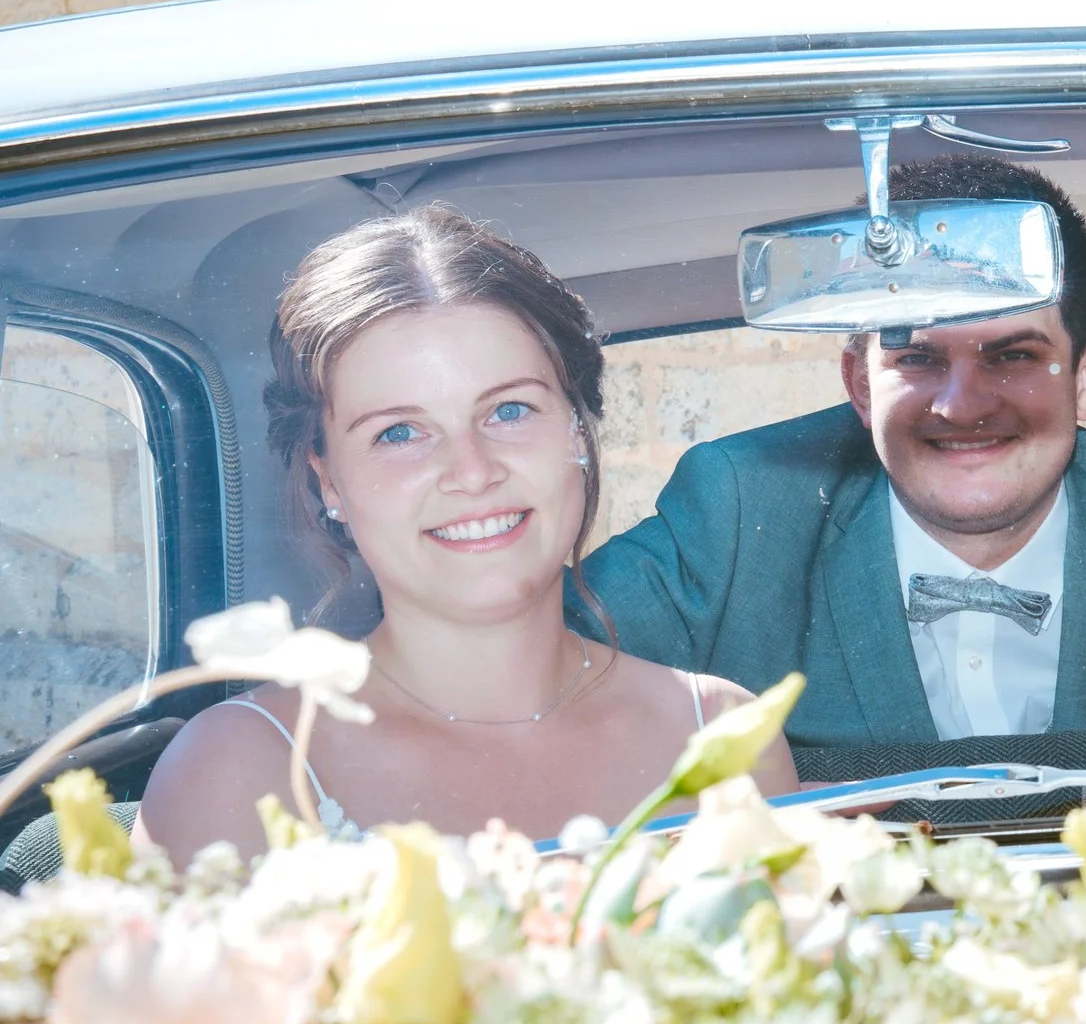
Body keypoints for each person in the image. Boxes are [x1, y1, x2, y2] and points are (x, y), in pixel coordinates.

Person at [578, 154, 1086, 770]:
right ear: (860, 385)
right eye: (917, 359)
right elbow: (537, 670)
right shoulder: (735, 514)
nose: (961, 405)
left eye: (1013, 356)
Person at [139, 207, 797, 865]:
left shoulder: (726, 732)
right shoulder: (234, 768)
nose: (472, 471)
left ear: (580, 431)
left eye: (509, 410)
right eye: (399, 432)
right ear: (328, 480)